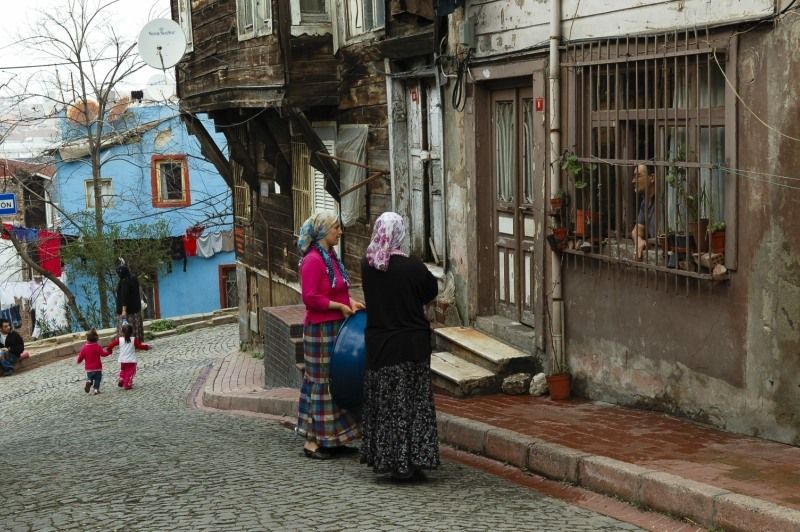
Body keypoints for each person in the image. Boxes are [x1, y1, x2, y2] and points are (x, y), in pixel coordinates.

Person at [359, 212, 440, 481]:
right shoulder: (412, 268)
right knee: (412, 406)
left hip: (380, 347)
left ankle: (387, 459)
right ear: (399, 233)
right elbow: (431, 290)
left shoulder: (368, 264)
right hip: (410, 346)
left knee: (386, 406)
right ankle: (411, 461)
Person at [295, 211, 364, 460]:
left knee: (334, 381)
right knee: (320, 381)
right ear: (324, 231)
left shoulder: (330, 257)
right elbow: (310, 297)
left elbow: (335, 290)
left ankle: (334, 438)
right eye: (337, 227)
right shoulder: (313, 260)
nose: (340, 232)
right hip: (320, 329)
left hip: (335, 326)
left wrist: (351, 302)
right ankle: (313, 441)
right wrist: (338, 307)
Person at [106, 323, 150, 390]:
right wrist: (146, 347)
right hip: (131, 360)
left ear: (122, 332)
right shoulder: (133, 340)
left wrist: (109, 350)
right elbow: (139, 346)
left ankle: (121, 379)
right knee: (130, 372)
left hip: (122, 360)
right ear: (131, 332)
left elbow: (111, 345)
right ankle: (127, 384)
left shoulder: (120, 340)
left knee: (123, 370)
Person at [631, 164, 657, 260]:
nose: (633, 181)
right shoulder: (644, 203)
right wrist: (638, 241)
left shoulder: (664, 200)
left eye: (638, 176)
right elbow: (636, 231)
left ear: (652, 178)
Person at [115, 262, 144, 342]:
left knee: (128, 327)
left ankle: (128, 343)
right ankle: (138, 342)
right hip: (136, 308)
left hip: (128, 311)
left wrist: (124, 310)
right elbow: (139, 290)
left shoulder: (124, 281)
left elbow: (125, 297)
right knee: (135, 326)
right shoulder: (134, 278)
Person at [76, 328, 111, 395]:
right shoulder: (97, 347)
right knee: (98, 379)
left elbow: (81, 357)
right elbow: (103, 354)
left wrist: (78, 361)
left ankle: (89, 382)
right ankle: (96, 390)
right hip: (97, 367)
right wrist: (109, 352)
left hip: (89, 369)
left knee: (90, 378)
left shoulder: (84, 347)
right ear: (96, 338)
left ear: (87, 338)